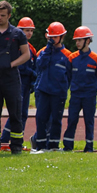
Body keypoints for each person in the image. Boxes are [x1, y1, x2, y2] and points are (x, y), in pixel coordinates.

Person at [0, 1, 30, 154]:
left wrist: (12, 64)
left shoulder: (17, 34)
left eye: (2, 15)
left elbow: (26, 54)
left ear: (9, 16)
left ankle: (16, 146)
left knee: (15, 112)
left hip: (11, 77)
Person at [33, 22, 71, 151]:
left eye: (55, 37)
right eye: (51, 37)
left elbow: (69, 76)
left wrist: (63, 88)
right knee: (41, 118)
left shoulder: (67, 55)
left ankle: (54, 145)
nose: (52, 39)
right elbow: (40, 66)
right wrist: (48, 49)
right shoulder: (43, 52)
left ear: (62, 37)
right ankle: (41, 145)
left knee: (56, 119)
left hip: (58, 92)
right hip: (43, 90)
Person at [64, 26, 97, 152]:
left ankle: (89, 147)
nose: (77, 43)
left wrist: (91, 89)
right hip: (75, 95)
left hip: (89, 96)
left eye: (80, 40)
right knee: (72, 120)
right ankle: (68, 146)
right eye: (76, 40)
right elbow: (68, 75)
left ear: (88, 40)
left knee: (89, 121)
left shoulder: (96, 59)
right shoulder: (72, 58)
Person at [1, 17, 37, 144]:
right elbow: (20, 67)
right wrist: (32, 74)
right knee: (16, 112)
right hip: (18, 82)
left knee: (23, 113)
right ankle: (5, 139)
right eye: (26, 30)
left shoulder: (31, 48)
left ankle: (17, 139)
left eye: (31, 31)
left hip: (27, 84)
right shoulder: (15, 45)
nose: (29, 33)